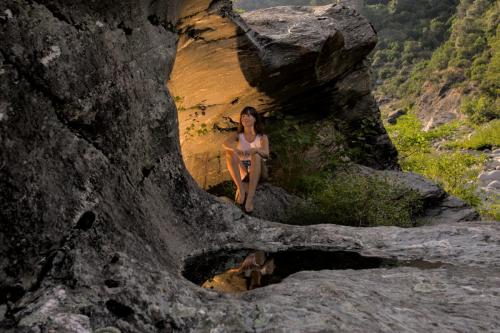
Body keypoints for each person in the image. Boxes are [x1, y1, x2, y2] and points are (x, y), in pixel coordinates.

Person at [222, 106, 270, 214]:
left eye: (248, 115)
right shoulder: (239, 136)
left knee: (256, 155)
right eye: (243, 116)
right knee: (229, 153)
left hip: (259, 170)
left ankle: (250, 198)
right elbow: (225, 144)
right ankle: (241, 189)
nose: (245, 118)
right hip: (244, 171)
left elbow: (266, 154)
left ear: (255, 119)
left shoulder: (262, 137)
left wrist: (255, 150)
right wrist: (235, 149)